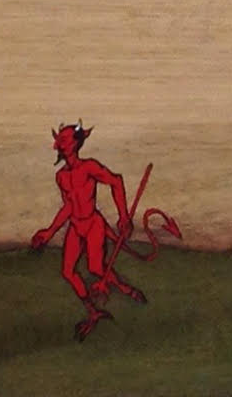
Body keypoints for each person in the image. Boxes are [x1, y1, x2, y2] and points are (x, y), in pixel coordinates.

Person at [30, 123, 146, 339]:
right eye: (59, 141)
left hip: (93, 224)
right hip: (76, 226)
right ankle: (93, 312)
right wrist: (49, 232)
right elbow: (68, 207)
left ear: (76, 143)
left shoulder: (89, 167)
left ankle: (126, 289)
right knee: (68, 272)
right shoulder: (61, 177)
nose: (59, 145)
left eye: (64, 140)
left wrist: (123, 216)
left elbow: (116, 181)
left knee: (95, 267)